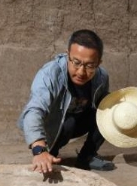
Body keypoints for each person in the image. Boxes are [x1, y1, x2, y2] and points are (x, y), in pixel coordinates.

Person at [19, 29, 115, 173]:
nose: (81, 72)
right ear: (67, 54)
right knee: (69, 123)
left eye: (90, 66)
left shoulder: (101, 77)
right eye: (76, 62)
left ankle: (86, 157)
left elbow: (102, 104)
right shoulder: (50, 74)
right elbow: (33, 111)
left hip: (79, 120)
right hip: (53, 124)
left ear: (98, 63)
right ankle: (50, 154)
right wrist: (39, 149)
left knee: (109, 110)